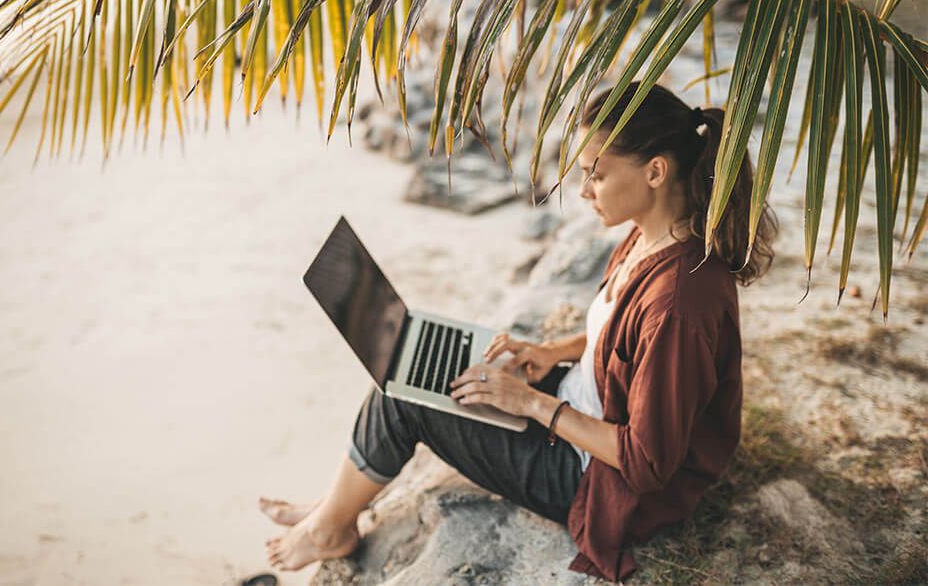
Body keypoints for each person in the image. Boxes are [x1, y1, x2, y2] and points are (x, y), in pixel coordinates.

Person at [259, 81, 777, 581]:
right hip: (582, 409)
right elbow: (622, 338)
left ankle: (330, 530)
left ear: (656, 172)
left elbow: (645, 463)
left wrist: (530, 403)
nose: (582, 191)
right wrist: (552, 351)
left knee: (402, 396)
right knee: (417, 363)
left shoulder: (680, 304)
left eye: (596, 175)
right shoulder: (651, 237)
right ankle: (336, 504)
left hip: (594, 478)